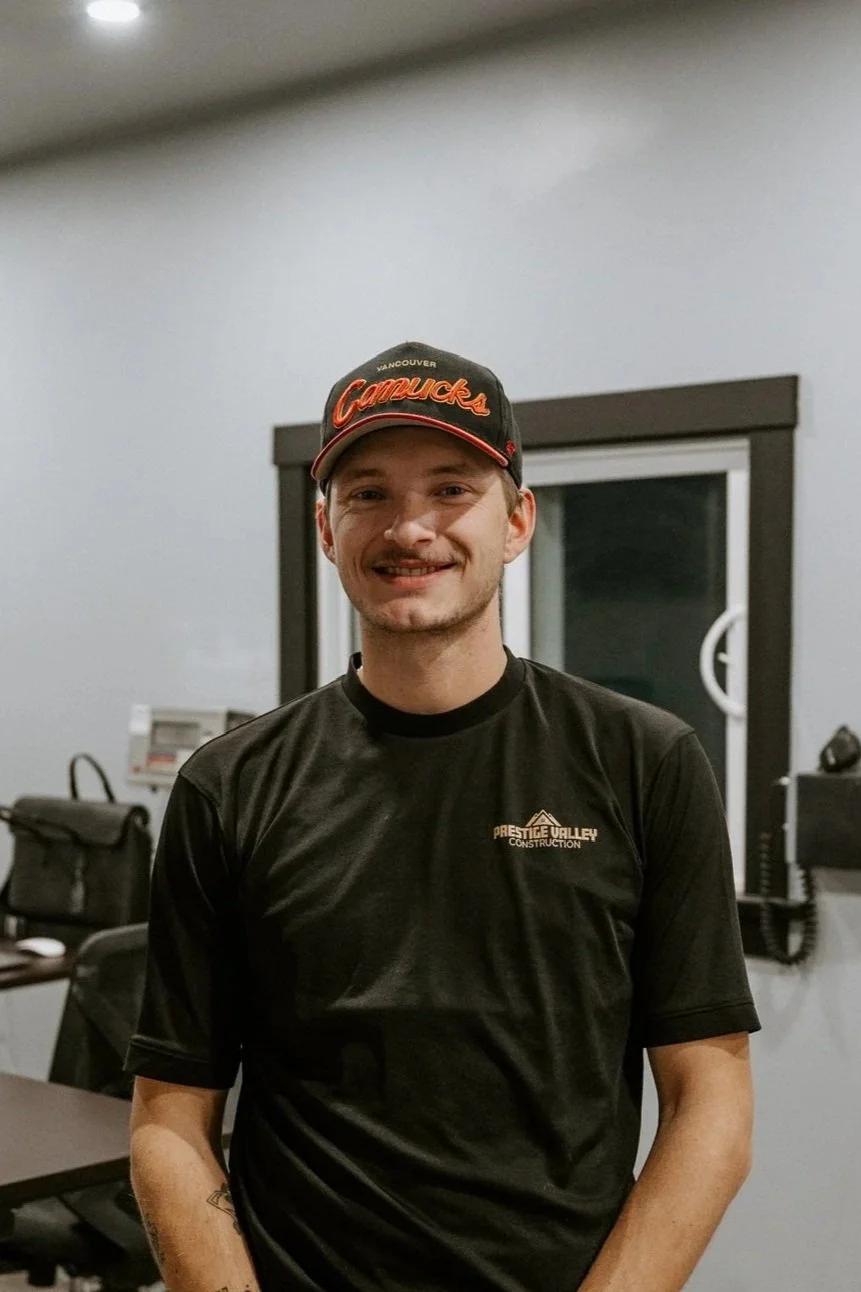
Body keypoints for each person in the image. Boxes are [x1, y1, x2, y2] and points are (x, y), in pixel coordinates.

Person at [126, 339, 760, 1292]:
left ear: (517, 521)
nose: (410, 527)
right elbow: (170, 1114)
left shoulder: (642, 762)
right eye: (368, 493)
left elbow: (709, 1101)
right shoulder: (230, 787)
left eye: (451, 489)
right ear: (326, 528)